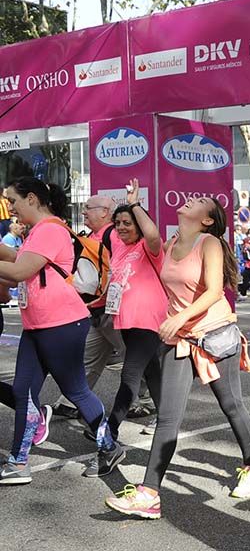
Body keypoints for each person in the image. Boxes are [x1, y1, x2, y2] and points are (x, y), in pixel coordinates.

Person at [104, 196, 250, 519]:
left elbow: (215, 291)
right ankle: (149, 494)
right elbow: (149, 235)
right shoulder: (173, 240)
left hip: (214, 334)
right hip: (180, 339)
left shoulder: (210, 243)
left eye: (200, 201)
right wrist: (135, 205)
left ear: (207, 220)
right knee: (168, 417)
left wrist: (179, 317)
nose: (192, 200)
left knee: (230, 405)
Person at [0, 176, 115, 485]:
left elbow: (20, 270)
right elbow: (17, 271)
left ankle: (109, 446)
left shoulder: (50, 230)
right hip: (38, 325)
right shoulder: (38, 230)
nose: (9, 207)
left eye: (13, 200)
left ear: (32, 199)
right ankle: (17, 462)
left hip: (61, 324)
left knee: (76, 390)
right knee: (24, 392)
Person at [89, 180, 166, 477]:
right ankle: (167, 421)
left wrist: (135, 203)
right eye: (118, 223)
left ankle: (111, 434)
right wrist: (94, 304)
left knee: (130, 375)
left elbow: (152, 232)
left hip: (149, 321)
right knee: (152, 374)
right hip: (126, 322)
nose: (121, 227)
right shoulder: (119, 246)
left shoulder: (150, 248)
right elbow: (104, 229)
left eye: (127, 223)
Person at [49, 193, 122, 420]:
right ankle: (70, 402)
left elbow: (120, 270)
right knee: (88, 357)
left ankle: (148, 399)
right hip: (96, 310)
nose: (83, 212)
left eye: (88, 208)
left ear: (104, 212)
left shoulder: (114, 235)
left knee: (138, 359)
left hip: (113, 310)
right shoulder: (92, 235)